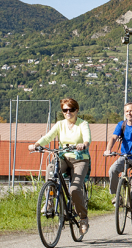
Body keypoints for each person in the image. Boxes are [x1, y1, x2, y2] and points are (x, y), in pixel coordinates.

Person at [28, 98, 91, 235]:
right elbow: (48, 137)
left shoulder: (82, 124)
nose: (68, 112)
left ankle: (83, 218)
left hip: (79, 159)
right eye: (65, 110)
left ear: (76, 110)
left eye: (71, 110)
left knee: (74, 189)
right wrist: (36, 145)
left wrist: (84, 144)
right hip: (63, 156)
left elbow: (87, 138)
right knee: (51, 169)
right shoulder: (60, 124)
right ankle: (49, 201)